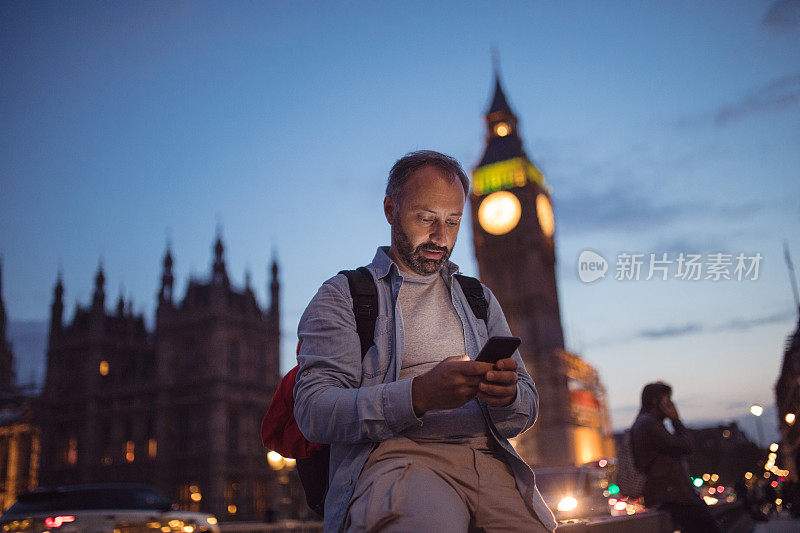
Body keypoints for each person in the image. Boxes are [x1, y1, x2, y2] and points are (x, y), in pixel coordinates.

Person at [293, 151, 556, 532]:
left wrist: (507, 396)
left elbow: (526, 408)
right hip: (398, 460)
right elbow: (313, 412)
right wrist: (419, 395)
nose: (441, 237)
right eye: (426, 219)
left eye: (452, 222)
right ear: (390, 210)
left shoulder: (478, 297)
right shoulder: (343, 296)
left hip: (490, 463)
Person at [631, 382, 724, 533]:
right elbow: (686, 446)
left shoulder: (644, 423)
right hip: (674, 497)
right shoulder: (648, 423)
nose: (671, 404)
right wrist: (676, 419)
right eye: (667, 400)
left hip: (668, 496)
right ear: (655, 401)